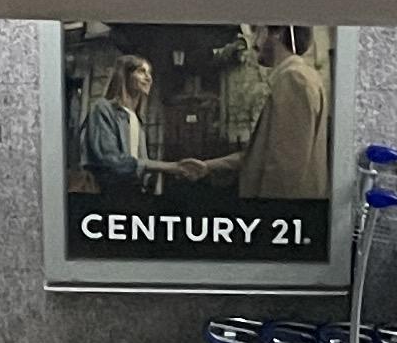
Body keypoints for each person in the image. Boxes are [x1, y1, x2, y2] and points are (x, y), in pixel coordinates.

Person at [175, 24, 327, 202]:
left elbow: (284, 168)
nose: (254, 42)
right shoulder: (296, 77)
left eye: (257, 31)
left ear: (278, 33)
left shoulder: (293, 78)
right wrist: (208, 166)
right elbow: (262, 155)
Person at [80, 52, 156, 209]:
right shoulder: (102, 109)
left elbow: (139, 160)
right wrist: (170, 167)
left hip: (133, 195)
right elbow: (110, 160)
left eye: (149, 73)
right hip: (108, 197)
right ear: (125, 75)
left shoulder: (137, 118)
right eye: (141, 71)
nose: (148, 78)